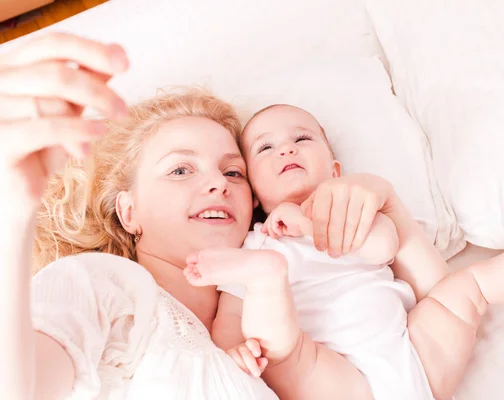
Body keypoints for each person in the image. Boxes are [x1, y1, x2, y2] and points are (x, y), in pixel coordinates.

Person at [0, 33, 407, 399]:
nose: (219, 184)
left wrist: (384, 197)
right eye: (180, 170)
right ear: (129, 210)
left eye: (234, 172)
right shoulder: (103, 285)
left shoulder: (284, 322)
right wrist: (14, 211)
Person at [184, 104, 504, 400]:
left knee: (467, 288)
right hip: (337, 374)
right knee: (283, 354)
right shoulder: (256, 245)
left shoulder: (354, 213)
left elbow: (384, 244)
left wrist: (312, 225)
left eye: (301, 138)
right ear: (254, 189)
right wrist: (231, 350)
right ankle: (268, 282)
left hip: (413, 357)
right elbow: (233, 316)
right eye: (265, 148)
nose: (286, 150)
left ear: (335, 170)